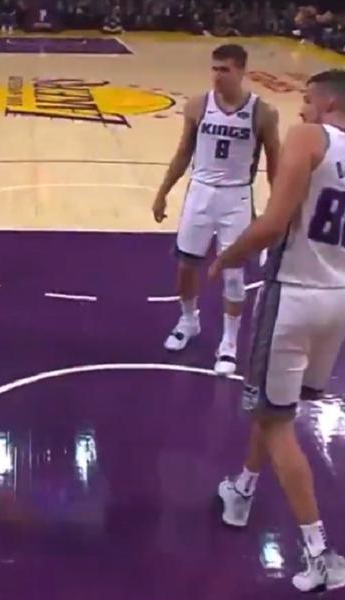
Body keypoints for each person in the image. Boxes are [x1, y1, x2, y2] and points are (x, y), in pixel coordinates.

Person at [210, 69, 345, 592]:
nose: (301, 109)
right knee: (275, 409)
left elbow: (272, 223)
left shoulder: (311, 137)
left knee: (276, 420)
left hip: (293, 293)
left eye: (308, 100)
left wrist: (227, 258)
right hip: (337, 300)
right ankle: (242, 489)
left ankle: (320, 552)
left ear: (329, 103)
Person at [152, 44, 280, 375]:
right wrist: (162, 193)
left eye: (225, 69)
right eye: (214, 69)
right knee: (186, 266)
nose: (217, 75)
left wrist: (277, 208)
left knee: (234, 275)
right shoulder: (197, 105)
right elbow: (183, 153)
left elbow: (275, 164)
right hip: (200, 192)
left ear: (241, 71)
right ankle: (188, 320)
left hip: (236, 197)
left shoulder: (263, 113)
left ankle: (229, 343)